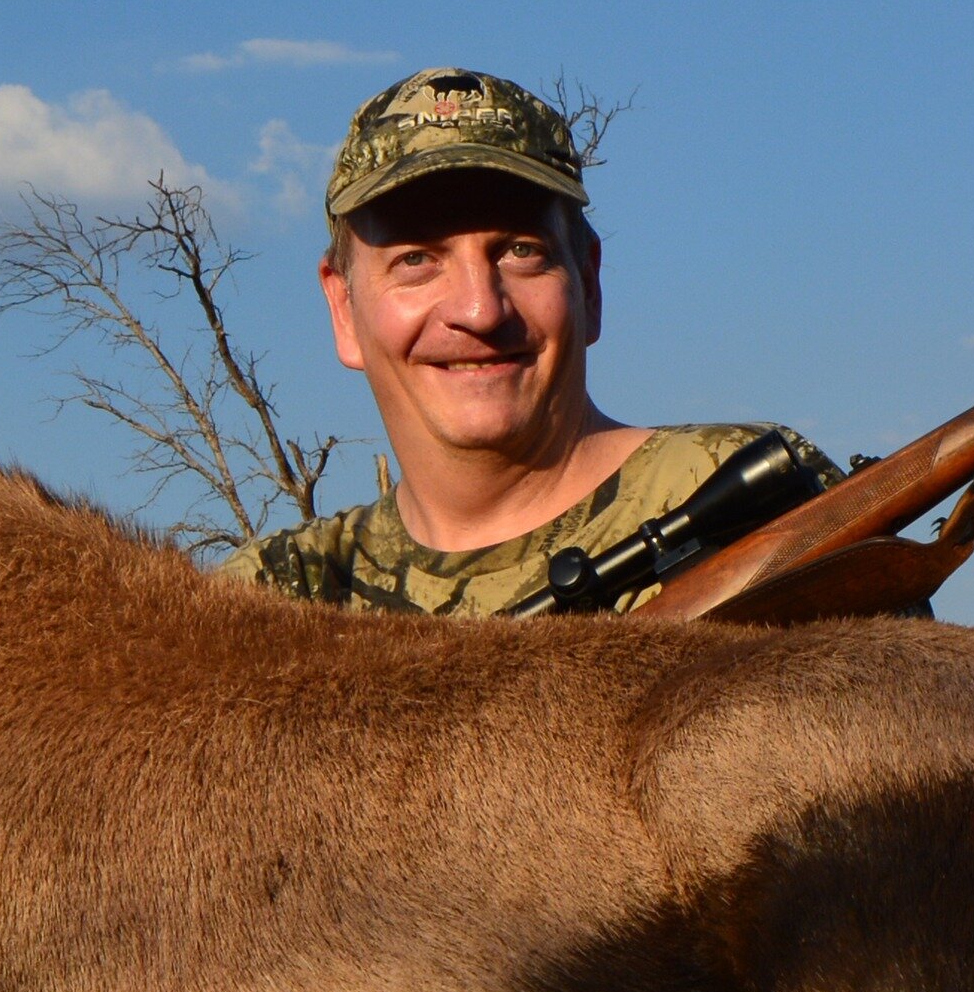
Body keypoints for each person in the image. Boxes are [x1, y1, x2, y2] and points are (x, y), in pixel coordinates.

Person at [227, 65, 826, 616]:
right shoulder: (274, 598)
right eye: (415, 259)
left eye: (521, 251)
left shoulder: (753, 497)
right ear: (343, 308)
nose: (480, 309)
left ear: (589, 285)